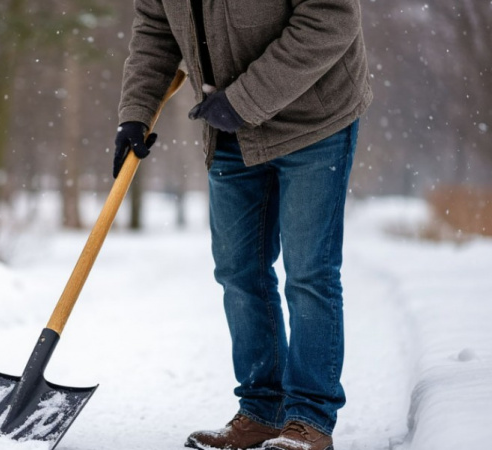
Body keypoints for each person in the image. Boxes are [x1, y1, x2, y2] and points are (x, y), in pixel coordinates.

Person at [113, 0, 372, 449]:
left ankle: (309, 419)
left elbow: (331, 17)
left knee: (309, 271)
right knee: (239, 271)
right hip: (230, 127)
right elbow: (156, 29)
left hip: (314, 121)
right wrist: (135, 111)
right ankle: (262, 410)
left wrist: (244, 100)